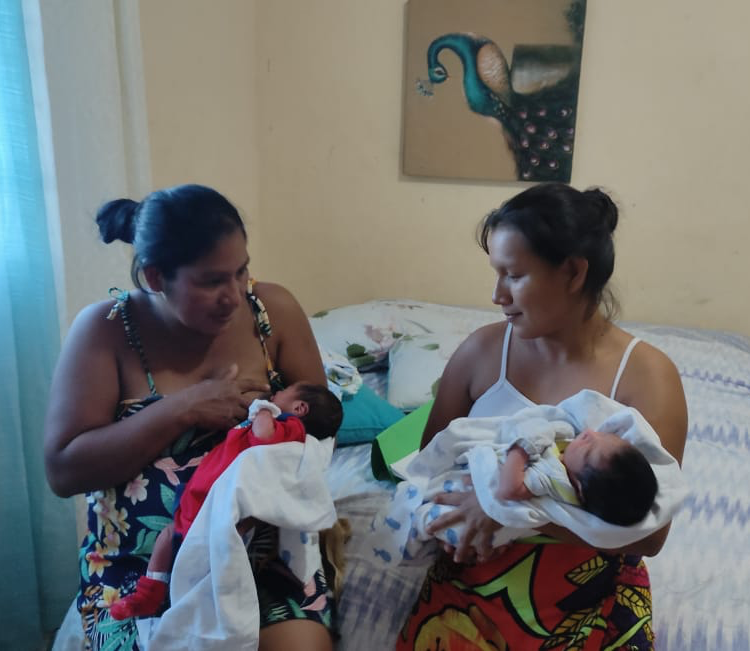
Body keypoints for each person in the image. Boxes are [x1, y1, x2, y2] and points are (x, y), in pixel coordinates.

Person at [43, 184, 337, 651]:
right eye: (212, 281)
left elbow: (323, 423)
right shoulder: (104, 332)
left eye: (241, 272)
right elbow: (63, 470)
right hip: (140, 570)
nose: (235, 294)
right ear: (157, 277)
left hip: (258, 557)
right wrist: (183, 407)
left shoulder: (272, 312)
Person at [396, 183, 687, 651]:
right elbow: (427, 470)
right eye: (496, 274)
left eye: (513, 275)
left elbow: (650, 536)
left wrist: (503, 510)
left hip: (589, 599)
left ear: (572, 272)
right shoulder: (480, 355)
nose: (497, 294)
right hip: (467, 595)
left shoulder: (647, 377)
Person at [109, 382, 342, 620]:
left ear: (300, 408)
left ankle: (171, 601)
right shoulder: (282, 422)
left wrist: (263, 409)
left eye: (284, 391)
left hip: (215, 505)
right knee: (169, 538)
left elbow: (263, 436)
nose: (277, 392)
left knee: (198, 558)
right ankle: (151, 593)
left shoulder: (290, 426)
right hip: (198, 495)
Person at [371, 395, 668, 566]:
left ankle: (409, 526)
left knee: (430, 516)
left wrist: (521, 447)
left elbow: (508, 490)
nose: (590, 433)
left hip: (558, 588)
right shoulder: (479, 350)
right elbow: (434, 448)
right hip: (463, 566)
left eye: (589, 448)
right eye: (602, 436)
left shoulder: (553, 477)